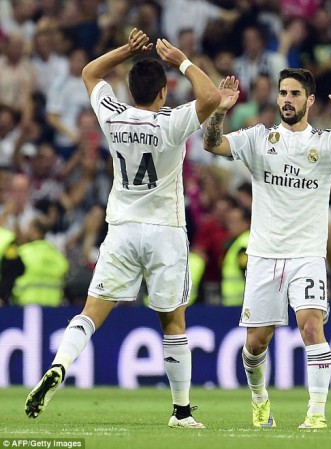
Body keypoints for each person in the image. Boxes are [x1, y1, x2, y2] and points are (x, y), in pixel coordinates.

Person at [25, 28, 223, 429]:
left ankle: (60, 364)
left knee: (91, 312)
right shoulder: (171, 123)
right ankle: (182, 412)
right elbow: (211, 97)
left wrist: (126, 50)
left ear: (131, 90)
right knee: (173, 322)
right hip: (165, 230)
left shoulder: (113, 115)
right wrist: (182, 60)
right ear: (163, 92)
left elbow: (89, 73)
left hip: (122, 229)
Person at [202, 68, 331, 428]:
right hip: (264, 255)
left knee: (311, 327)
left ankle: (316, 413)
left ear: (309, 100)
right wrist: (219, 111)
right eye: (283, 92)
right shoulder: (258, 138)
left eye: (295, 94)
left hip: (307, 255)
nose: (287, 99)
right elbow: (212, 145)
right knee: (256, 344)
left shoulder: (325, 143)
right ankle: (259, 399)